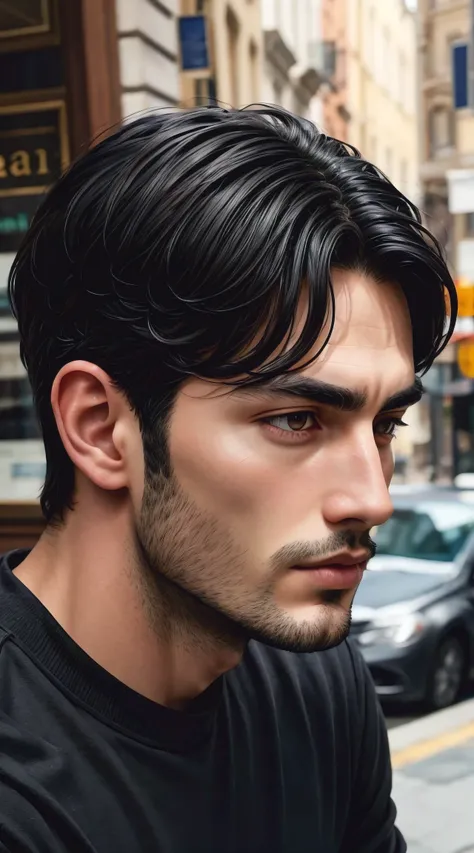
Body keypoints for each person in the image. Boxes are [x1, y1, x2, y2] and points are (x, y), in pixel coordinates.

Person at [0, 106, 455, 853]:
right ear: (98, 428)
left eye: (384, 424)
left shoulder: (318, 678)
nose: (373, 497)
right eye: (296, 420)